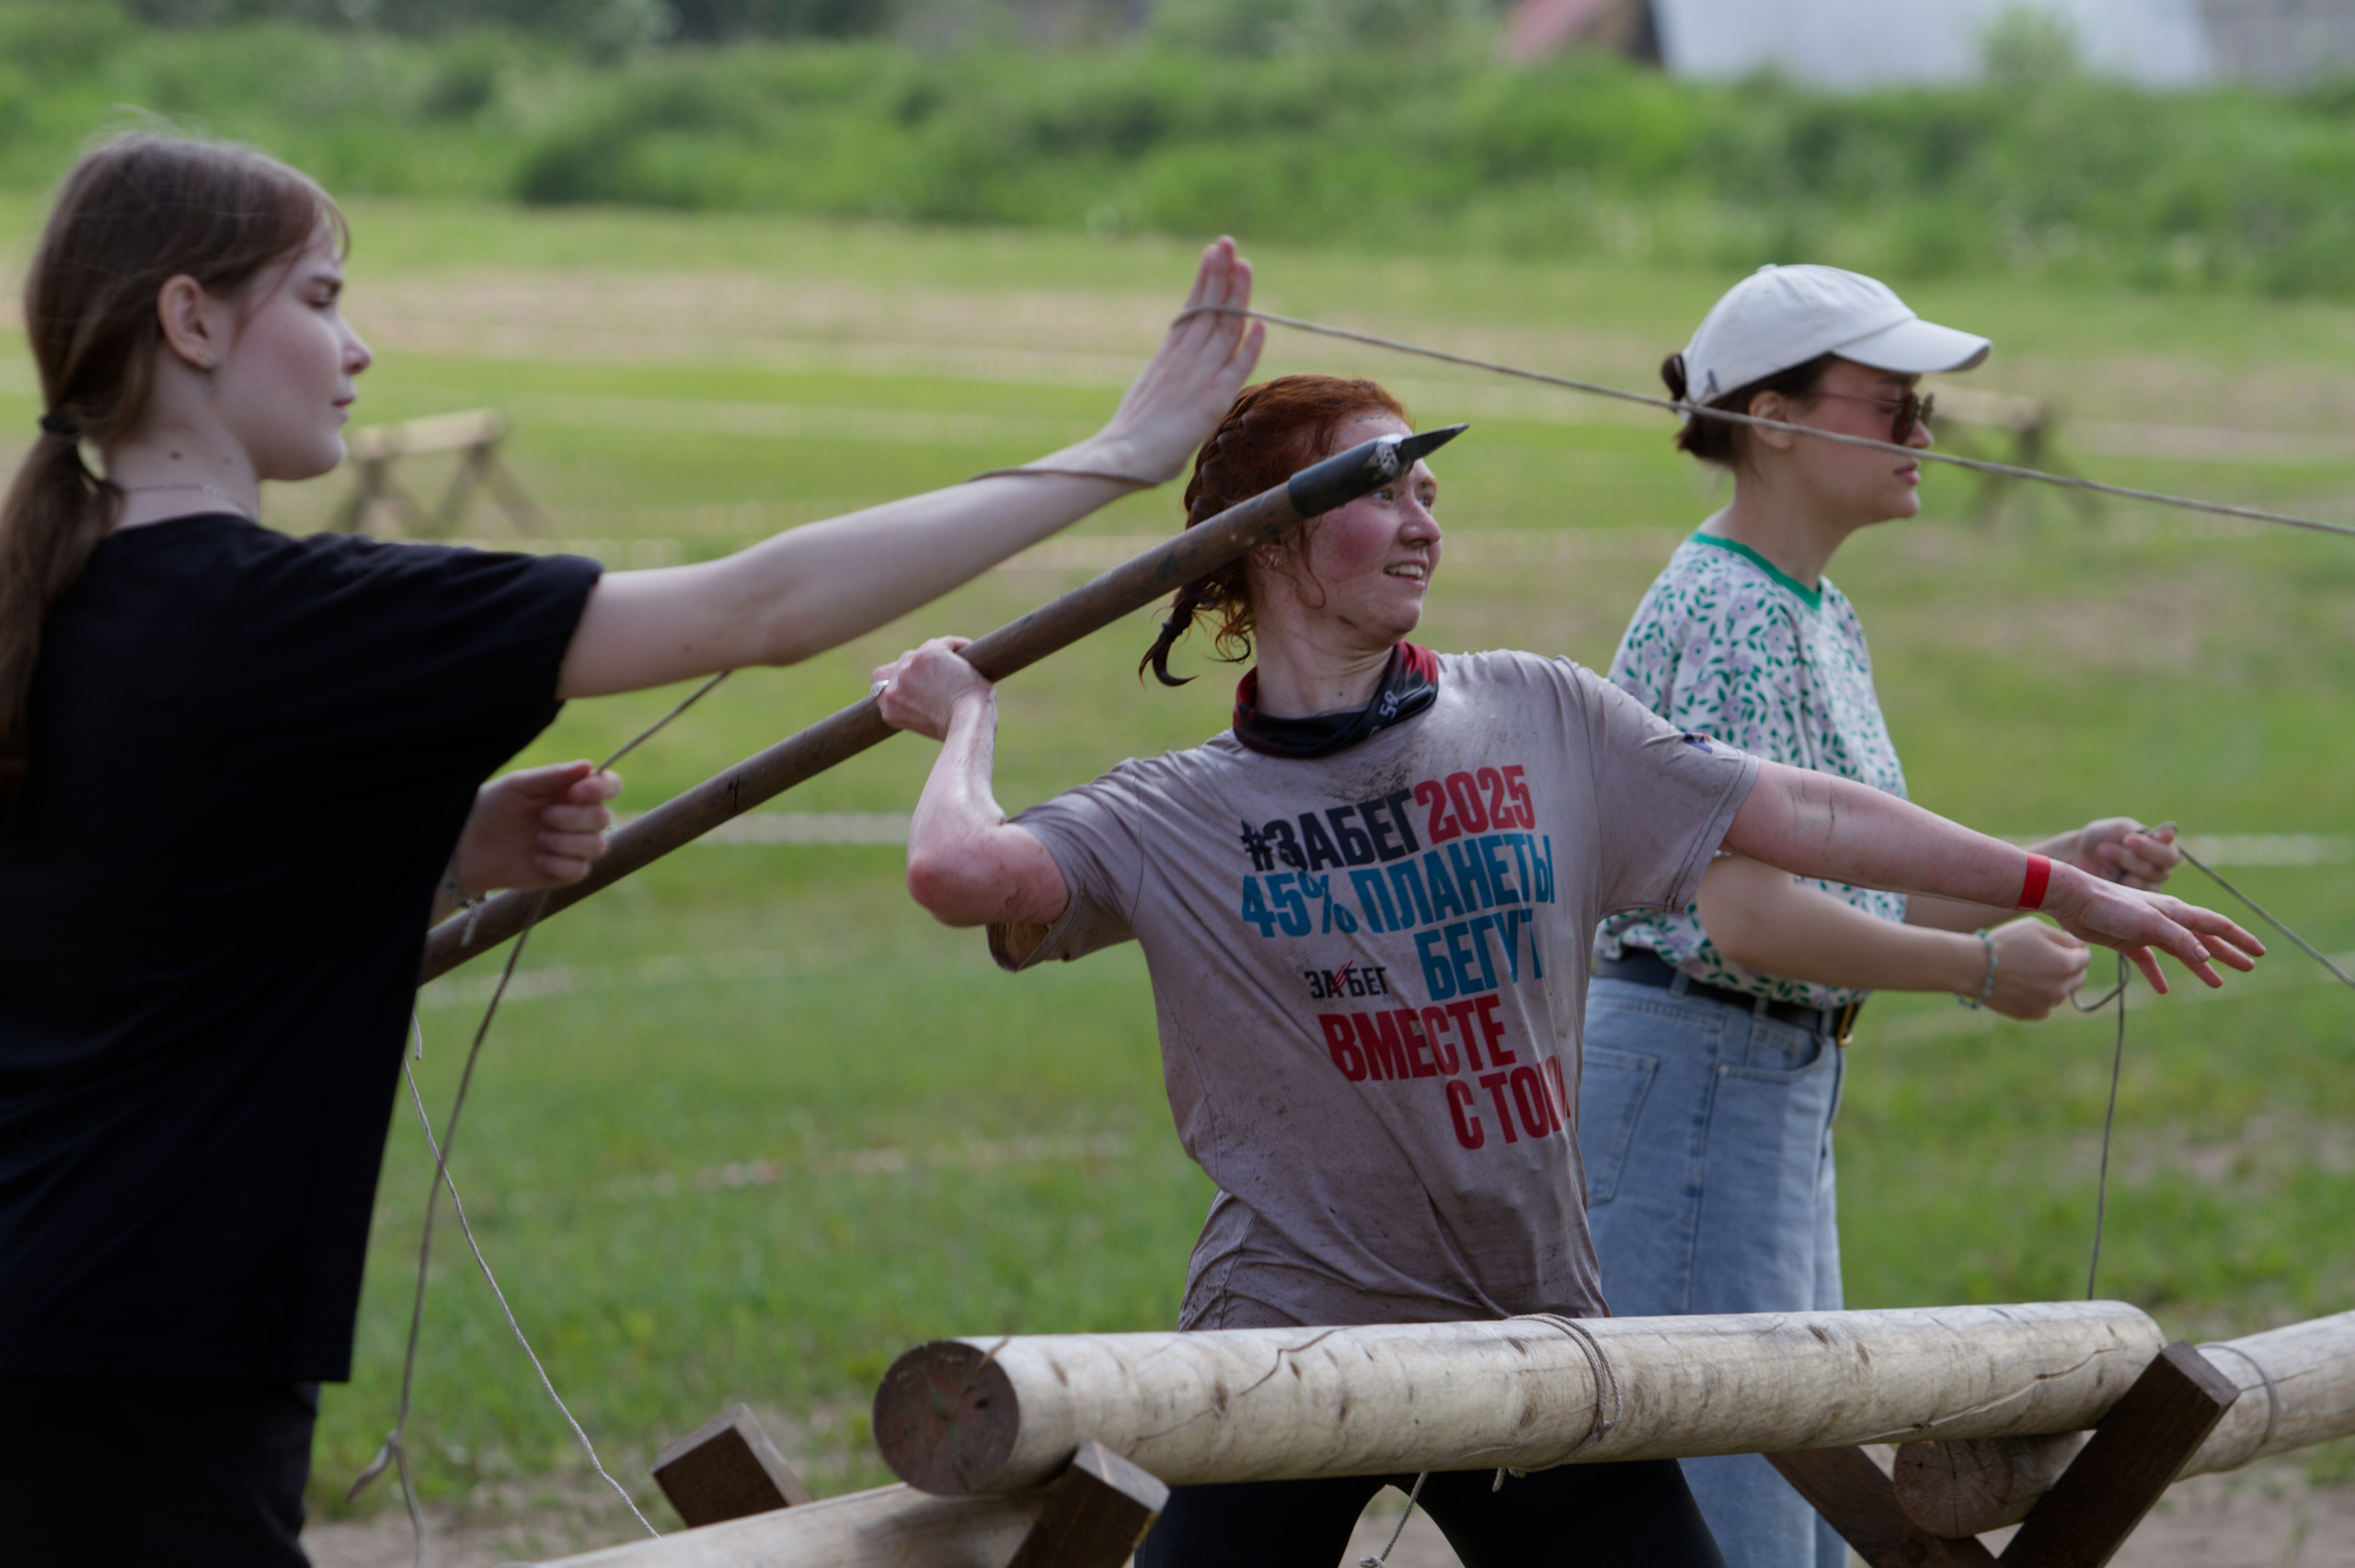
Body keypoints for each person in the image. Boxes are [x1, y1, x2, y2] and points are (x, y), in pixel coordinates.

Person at [0, 132, 1264, 1562]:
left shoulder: (63, 600)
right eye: (321, 298)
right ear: (191, 320)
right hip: (142, 1355)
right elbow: (760, 607)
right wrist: (1116, 458)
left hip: (67, 1320)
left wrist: (436, 853)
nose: (358, 349)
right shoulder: (284, 613)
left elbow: (130, 894)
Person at [871, 373, 2258, 1568]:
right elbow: (960, 873)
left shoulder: (1539, 712)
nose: (1425, 517)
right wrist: (963, 720)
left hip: (1531, 1329)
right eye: (1383, 486)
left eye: (1430, 487)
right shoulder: (1177, 809)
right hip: (1291, 1343)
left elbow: (1805, 812)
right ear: (1273, 546)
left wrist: (2058, 881)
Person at [1581, 263, 2185, 1568]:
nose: (1924, 435)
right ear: (1776, 420)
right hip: (1700, 1073)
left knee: (1798, 1506)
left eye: (1926, 409)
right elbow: (1746, 916)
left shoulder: (1814, 611)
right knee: (1737, 1516)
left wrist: (2058, 864)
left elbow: (1835, 884)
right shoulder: (1734, 610)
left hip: (1760, 1076)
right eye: (1894, 405)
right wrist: (1975, 966)